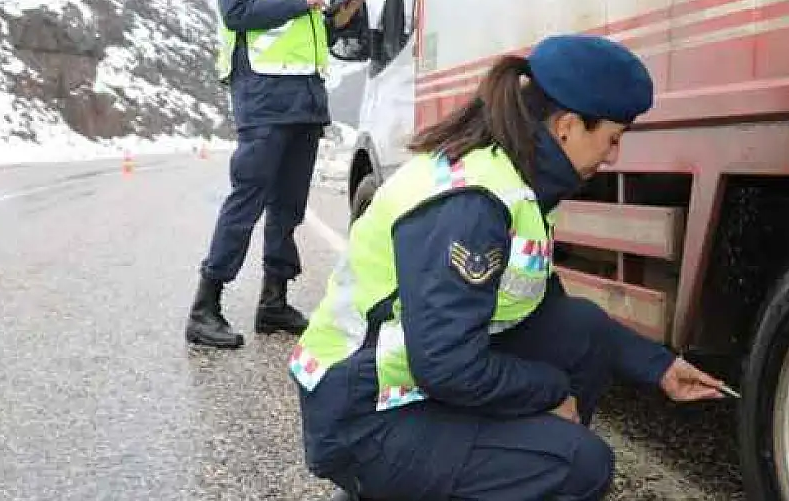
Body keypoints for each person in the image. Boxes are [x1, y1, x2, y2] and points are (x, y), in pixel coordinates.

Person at [289, 34, 728, 500]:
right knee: (581, 465)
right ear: (567, 127)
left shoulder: (516, 177)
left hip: (403, 383)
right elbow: (445, 365)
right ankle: (386, 485)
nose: (613, 156)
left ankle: (502, 461)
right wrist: (552, 393)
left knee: (580, 330)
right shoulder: (473, 203)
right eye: (612, 139)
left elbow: (539, 303)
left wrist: (659, 367)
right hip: (364, 415)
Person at [186, 0, 367, 349]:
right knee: (248, 199)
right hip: (264, 96)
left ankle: (273, 302)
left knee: (288, 205)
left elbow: (303, 35)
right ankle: (205, 307)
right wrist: (301, 1)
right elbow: (237, 11)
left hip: (305, 101)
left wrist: (332, 22)